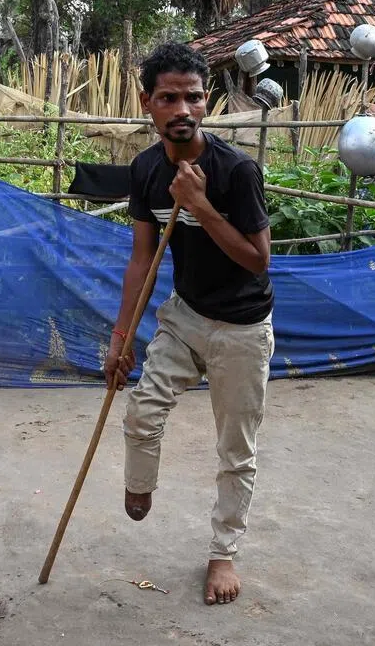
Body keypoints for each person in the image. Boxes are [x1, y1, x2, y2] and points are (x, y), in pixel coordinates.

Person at [104, 42, 275, 606]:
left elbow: (257, 259)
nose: (183, 108)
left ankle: (223, 553)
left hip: (242, 328)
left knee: (236, 449)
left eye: (194, 97)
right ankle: (139, 486)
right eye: (169, 97)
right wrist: (120, 337)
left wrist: (201, 207)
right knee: (141, 412)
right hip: (185, 315)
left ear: (208, 104)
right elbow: (141, 259)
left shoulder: (236, 171)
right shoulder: (146, 169)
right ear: (148, 104)